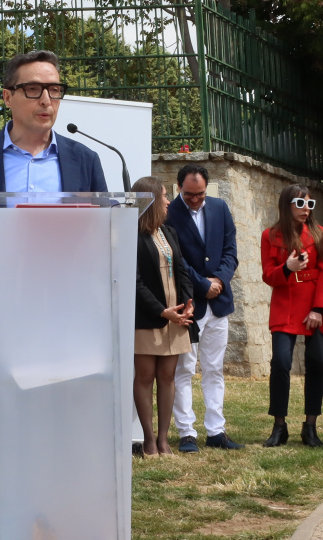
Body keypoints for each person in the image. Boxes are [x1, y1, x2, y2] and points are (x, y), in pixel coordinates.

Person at [0, 49, 107, 540]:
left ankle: (59, 525)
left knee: (58, 436)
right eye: (33, 89)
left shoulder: (84, 160)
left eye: (54, 89)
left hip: (63, 322)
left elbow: (105, 237)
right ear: (7, 96)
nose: (46, 99)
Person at [167, 164, 243, 451]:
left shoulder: (220, 208)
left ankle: (216, 431)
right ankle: (187, 432)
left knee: (214, 368)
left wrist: (220, 280)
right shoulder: (170, 213)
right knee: (184, 369)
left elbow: (230, 250)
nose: (195, 199)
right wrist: (202, 284)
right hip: (189, 302)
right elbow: (176, 257)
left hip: (219, 302)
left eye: (200, 194)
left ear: (206, 189)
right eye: (189, 195)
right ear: (178, 188)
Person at [260, 184, 323, 448]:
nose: (306, 209)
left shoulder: (319, 233)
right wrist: (287, 267)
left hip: (313, 307)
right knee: (281, 364)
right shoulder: (269, 235)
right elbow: (268, 276)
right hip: (285, 305)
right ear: (287, 205)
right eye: (300, 204)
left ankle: (311, 426)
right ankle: (279, 426)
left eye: (310, 204)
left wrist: (319, 308)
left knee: (315, 365)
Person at [133, 176, 196, 456]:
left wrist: (188, 302)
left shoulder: (168, 232)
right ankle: (148, 440)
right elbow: (135, 283)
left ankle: (164, 439)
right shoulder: (132, 235)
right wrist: (162, 311)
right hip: (150, 316)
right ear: (149, 200)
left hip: (176, 315)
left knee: (168, 376)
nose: (168, 201)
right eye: (163, 196)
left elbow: (183, 269)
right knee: (145, 376)